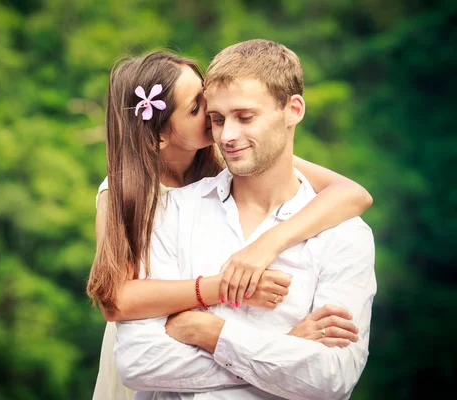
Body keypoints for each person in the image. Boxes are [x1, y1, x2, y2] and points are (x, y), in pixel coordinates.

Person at [88, 49, 373, 400]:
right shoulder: (127, 192)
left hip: (199, 355)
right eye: (199, 109)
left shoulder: (233, 152)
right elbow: (115, 302)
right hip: (152, 352)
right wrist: (228, 291)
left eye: (206, 97)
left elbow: (352, 193)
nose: (216, 123)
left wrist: (267, 244)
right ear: (159, 136)